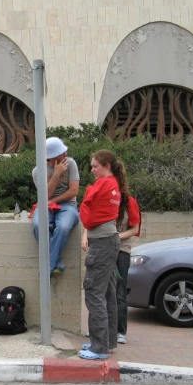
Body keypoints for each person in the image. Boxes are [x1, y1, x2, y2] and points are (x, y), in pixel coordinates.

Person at [78, 150, 123, 360]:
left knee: (94, 292)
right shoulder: (114, 184)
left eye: (95, 166)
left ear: (106, 165)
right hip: (110, 240)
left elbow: (88, 213)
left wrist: (88, 192)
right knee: (107, 294)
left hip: (102, 242)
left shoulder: (104, 184)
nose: (92, 170)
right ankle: (107, 342)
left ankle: (99, 347)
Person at [31, 137, 80, 276]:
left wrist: (53, 201)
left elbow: (73, 191)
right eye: (61, 153)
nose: (65, 155)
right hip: (45, 204)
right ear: (51, 158)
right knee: (39, 226)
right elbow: (45, 195)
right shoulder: (37, 171)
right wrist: (57, 174)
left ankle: (48, 268)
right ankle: (56, 262)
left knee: (63, 227)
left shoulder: (71, 164)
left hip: (68, 205)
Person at [115, 187, 141, 345]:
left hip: (121, 251)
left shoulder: (129, 202)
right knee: (102, 290)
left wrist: (115, 237)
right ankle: (101, 327)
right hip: (104, 250)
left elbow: (134, 229)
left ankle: (120, 331)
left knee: (119, 290)